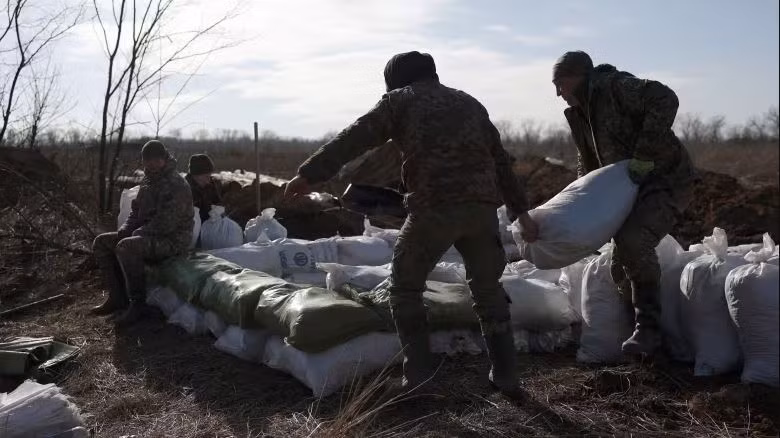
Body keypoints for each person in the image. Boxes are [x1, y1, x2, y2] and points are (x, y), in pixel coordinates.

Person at [284, 51, 539, 398]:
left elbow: (355, 137)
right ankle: (507, 377)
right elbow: (501, 163)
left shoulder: (399, 101)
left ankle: (418, 377)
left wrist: (308, 174)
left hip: (433, 210)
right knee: (489, 291)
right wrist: (521, 212)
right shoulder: (470, 103)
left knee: (404, 289)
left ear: (395, 81)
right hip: (481, 212)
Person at [552, 50, 695, 358]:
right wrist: (585, 205)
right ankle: (639, 334)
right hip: (628, 188)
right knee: (618, 265)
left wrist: (644, 155)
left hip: (664, 180)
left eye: (560, 83)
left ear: (578, 77)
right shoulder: (580, 114)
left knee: (633, 240)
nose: (558, 93)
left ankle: (649, 329)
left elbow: (665, 98)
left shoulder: (615, 88)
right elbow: (587, 162)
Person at [91, 140, 194, 325]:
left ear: (164, 159)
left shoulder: (176, 184)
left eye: (156, 160)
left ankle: (138, 305)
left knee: (127, 246)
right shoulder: (147, 180)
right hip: (148, 234)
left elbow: (167, 223)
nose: (152, 164)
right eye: (148, 160)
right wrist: (125, 229)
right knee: (102, 242)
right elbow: (136, 211)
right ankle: (117, 296)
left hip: (173, 241)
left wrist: (138, 232)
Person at [185, 153, 223, 223]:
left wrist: (218, 210)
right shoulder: (184, 188)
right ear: (195, 175)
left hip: (211, 225)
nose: (208, 181)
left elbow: (218, 202)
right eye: (206, 176)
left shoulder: (210, 184)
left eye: (209, 176)